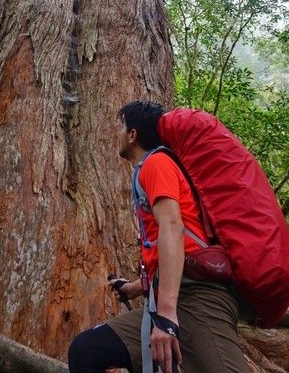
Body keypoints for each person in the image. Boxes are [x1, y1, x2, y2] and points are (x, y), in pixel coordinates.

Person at [68, 100, 248, 373]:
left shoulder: (156, 163)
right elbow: (170, 247)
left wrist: (165, 318)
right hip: (173, 296)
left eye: (121, 126)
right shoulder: (152, 167)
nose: (117, 133)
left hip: (199, 299)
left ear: (133, 135)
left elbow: (173, 228)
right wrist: (134, 287)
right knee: (86, 351)